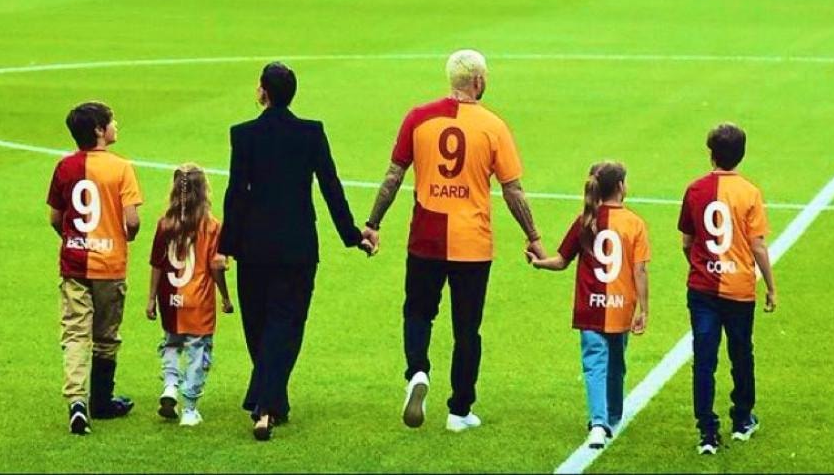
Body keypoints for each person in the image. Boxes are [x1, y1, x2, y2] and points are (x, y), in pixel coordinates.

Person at [362, 49, 545, 432]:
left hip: (426, 237)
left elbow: (394, 176)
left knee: (418, 313)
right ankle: (459, 410)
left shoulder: (418, 118)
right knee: (467, 329)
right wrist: (533, 236)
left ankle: (417, 371)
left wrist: (373, 223)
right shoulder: (493, 126)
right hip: (472, 243)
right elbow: (513, 190)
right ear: (478, 81)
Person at [218, 62, 373, 440]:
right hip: (297, 245)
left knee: (258, 324)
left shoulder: (244, 134)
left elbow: (236, 193)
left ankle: (264, 404)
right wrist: (353, 235)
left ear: (263, 92)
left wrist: (226, 247)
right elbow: (331, 187)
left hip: (254, 246)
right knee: (286, 324)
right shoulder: (311, 133)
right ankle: (272, 401)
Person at [527, 162, 650, 450]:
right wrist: (644, 309)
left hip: (589, 308)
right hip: (620, 307)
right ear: (620, 186)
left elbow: (561, 261)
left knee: (595, 364)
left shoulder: (585, 221)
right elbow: (640, 270)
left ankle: (599, 422)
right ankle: (609, 418)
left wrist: (539, 262)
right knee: (616, 364)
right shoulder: (634, 223)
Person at [678, 123, 776, 455]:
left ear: (712, 155)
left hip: (702, 289)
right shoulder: (749, 192)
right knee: (741, 353)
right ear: (741, 155)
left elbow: (687, 241)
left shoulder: (695, 189)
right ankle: (742, 418)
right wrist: (771, 286)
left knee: (704, 359)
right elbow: (758, 245)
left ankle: (707, 432)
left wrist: (701, 266)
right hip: (739, 289)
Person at [46, 101, 143, 436]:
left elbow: (55, 217)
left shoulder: (64, 166)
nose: (116, 125)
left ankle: (77, 401)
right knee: (106, 335)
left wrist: (73, 240)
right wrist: (123, 237)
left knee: (75, 333)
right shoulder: (121, 167)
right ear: (100, 131)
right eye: (112, 121)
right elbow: (132, 220)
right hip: (110, 264)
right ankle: (102, 401)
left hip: (74, 264)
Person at [146, 164, 234, 428]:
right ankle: (189, 409)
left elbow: (156, 264)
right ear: (204, 190)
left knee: (171, 343)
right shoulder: (211, 226)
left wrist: (151, 298)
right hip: (198, 301)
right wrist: (225, 297)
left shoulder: (165, 224)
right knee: (198, 350)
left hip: (169, 299)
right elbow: (216, 266)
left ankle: (170, 385)